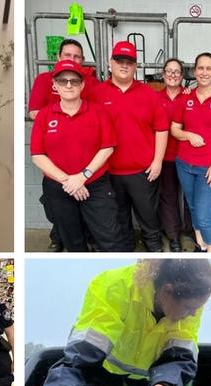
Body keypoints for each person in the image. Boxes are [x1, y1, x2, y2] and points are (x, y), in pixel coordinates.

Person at [38, 259, 211, 386]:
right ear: (168, 291)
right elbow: (80, 359)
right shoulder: (114, 287)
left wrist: (165, 384)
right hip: (100, 379)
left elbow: (179, 357)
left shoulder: (190, 303)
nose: (193, 314)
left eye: (197, 308)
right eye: (189, 308)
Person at [30, 59, 123, 252]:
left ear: (82, 85)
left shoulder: (98, 112)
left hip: (95, 185)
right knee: (73, 241)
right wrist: (69, 182)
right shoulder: (45, 116)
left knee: (109, 238)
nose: (69, 85)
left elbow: (108, 147)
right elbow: (38, 155)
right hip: (59, 187)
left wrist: (82, 177)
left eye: (74, 80)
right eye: (63, 81)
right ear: (55, 85)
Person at [91, 41, 169, 252]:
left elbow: (162, 129)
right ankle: (126, 248)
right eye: (119, 61)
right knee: (119, 215)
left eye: (129, 62)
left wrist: (157, 161)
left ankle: (154, 248)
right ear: (110, 63)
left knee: (148, 215)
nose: (124, 66)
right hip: (109, 172)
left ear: (136, 66)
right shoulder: (96, 94)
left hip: (142, 171)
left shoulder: (149, 94)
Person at [171, 52, 211, 253]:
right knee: (192, 207)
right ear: (194, 71)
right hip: (184, 165)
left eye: (209, 68)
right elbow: (174, 129)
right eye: (201, 68)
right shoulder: (185, 99)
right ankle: (200, 243)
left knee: (203, 216)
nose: (204, 72)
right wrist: (189, 135)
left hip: (210, 168)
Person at [157, 58, 193, 252]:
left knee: (190, 197)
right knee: (168, 197)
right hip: (165, 157)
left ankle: (190, 230)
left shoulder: (190, 97)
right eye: (169, 71)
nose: (172, 75)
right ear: (163, 74)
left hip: (188, 156)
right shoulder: (154, 98)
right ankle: (173, 236)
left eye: (176, 72)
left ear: (181, 75)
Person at [27, 38, 98, 120]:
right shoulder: (43, 79)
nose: (72, 60)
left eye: (76, 57)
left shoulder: (92, 82)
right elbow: (35, 114)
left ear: (82, 60)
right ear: (59, 57)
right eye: (67, 55)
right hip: (52, 129)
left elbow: (97, 113)